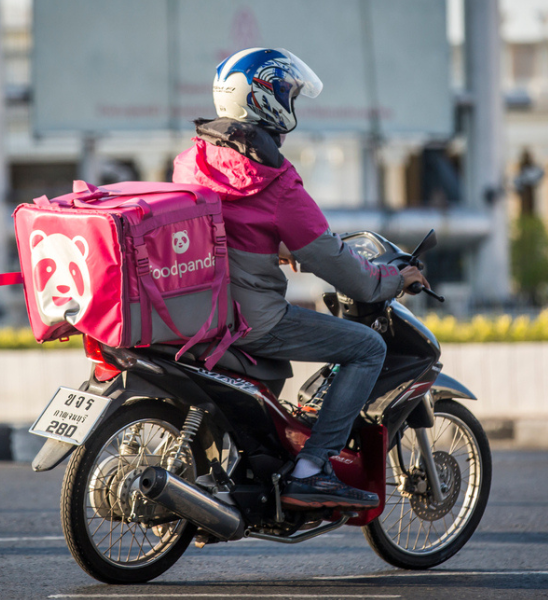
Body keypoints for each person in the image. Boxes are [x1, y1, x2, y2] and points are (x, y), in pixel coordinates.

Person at [171, 48, 428, 510]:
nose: (292, 104)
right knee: (368, 347)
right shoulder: (274, 182)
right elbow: (337, 263)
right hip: (252, 320)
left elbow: (222, 229)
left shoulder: (193, 160)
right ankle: (311, 469)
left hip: (198, 312)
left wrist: (273, 246)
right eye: (287, 95)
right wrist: (391, 279)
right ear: (265, 100)